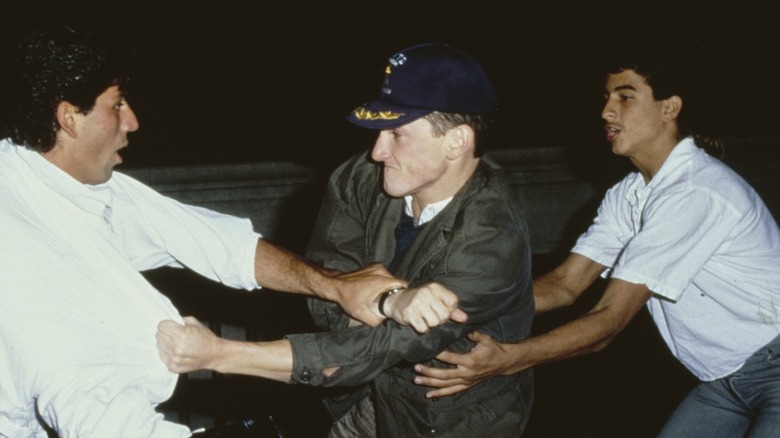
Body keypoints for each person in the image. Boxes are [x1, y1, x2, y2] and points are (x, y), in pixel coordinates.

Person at [0, 26, 459, 437]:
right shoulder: (29, 257)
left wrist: (335, 286)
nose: (132, 121)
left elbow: (217, 243)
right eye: (116, 105)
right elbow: (101, 414)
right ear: (68, 117)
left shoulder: (48, 176)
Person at [157, 42, 535, 437]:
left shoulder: (492, 238)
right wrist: (386, 305)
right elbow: (327, 286)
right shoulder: (361, 178)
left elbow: (384, 347)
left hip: (446, 423)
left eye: (397, 134)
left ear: (456, 141)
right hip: (358, 404)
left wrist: (221, 354)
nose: (377, 151)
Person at [413, 52, 780, 437]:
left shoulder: (695, 192)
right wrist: (455, 309)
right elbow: (564, 285)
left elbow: (609, 320)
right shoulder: (630, 193)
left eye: (625, 97)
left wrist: (509, 359)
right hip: (724, 380)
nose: (606, 111)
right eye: (606, 98)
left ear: (669, 108)